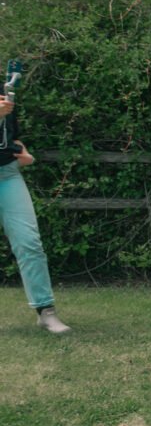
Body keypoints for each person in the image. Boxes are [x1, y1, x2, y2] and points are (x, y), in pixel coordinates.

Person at [0, 89, 69, 334]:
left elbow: (11, 138)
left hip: (7, 175)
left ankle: (46, 312)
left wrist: (23, 152)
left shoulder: (3, 92)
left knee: (29, 243)